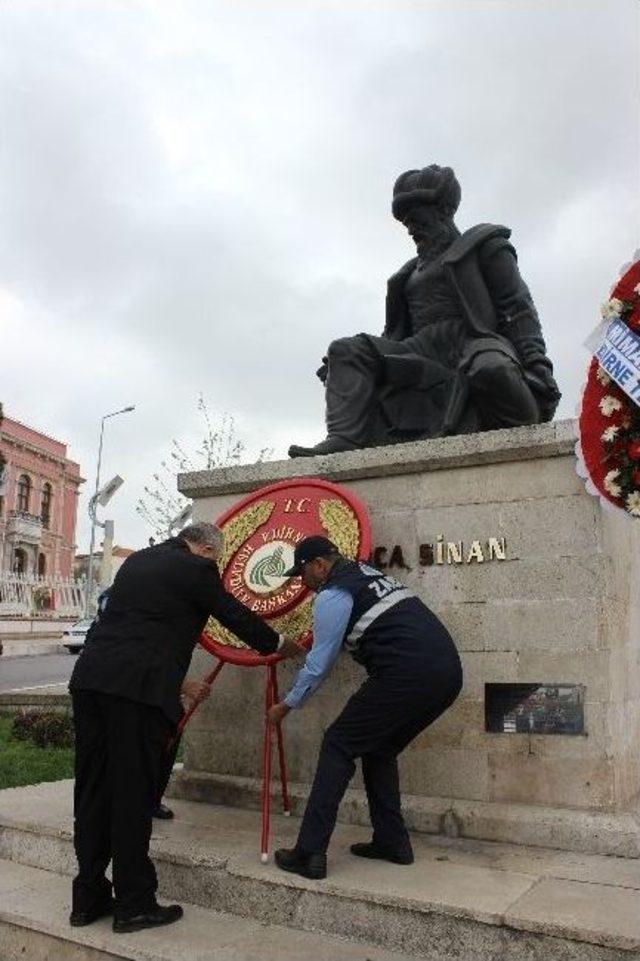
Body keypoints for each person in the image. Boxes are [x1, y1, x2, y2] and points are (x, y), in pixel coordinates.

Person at [69, 522, 301, 933]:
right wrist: (281, 645)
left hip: (91, 680)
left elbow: (138, 627)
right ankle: (134, 904)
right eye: (216, 558)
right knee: (132, 795)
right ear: (208, 549)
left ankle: (87, 898)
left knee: (92, 789)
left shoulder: (139, 561)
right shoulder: (196, 569)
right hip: (137, 695)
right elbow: (233, 615)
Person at [289, 164, 560, 457]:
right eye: (406, 224)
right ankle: (344, 440)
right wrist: (352, 368)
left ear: (443, 211)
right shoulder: (406, 275)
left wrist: (538, 367)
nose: (411, 230)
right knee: (346, 350)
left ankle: (518, 421)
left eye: (417, 220)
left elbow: (517, 309)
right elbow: (393, 334)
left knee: (491, 368)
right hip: (419, 350)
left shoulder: (485, 246)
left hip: (474, 342)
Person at [267, 535, 462, 879]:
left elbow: (320, 663)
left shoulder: (334, 593)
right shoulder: (367, 574)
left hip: (406, 673)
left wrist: (286, 704)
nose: (303, 583)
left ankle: (309, 853)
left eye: (303, 574)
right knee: (379, 748)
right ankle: (392, 843)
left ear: (320, 565)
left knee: (338, 744)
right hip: (446, 674)